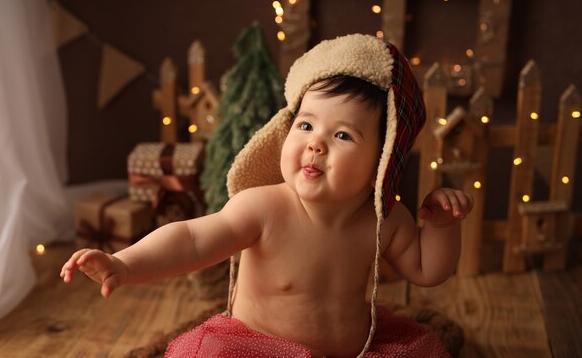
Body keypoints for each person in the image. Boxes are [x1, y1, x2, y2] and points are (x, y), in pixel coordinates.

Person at [61, 34, 473, 358]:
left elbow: (427, 271)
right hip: (253, 350)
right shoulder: (264, 207)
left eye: (343, 134)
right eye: (306, 125)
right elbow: (191, 239)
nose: (316, 145)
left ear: (381, 159)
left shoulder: (384, 218)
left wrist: (441, 226)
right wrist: (125, 263)